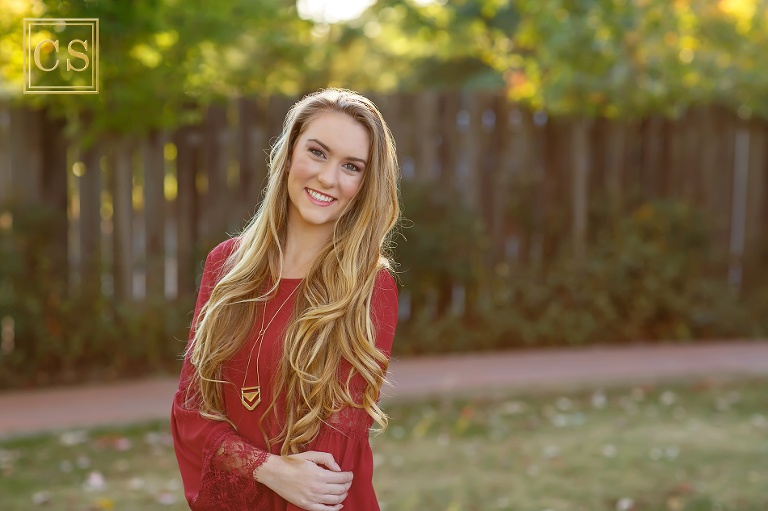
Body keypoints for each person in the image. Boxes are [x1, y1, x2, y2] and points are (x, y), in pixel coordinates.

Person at [171, 88, 400, 511]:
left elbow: (326, 469)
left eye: (351, 166)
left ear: (365, 184)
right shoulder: (226, 264)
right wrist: (268, 468)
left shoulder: (370, 287)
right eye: (317, 152)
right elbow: (190, 415)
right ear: (289, 153)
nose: (329, 178)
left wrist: (271, 471)